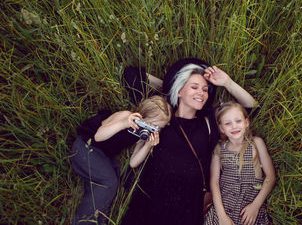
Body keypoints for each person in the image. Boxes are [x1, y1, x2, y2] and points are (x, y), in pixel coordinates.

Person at [121, 58, 258, 225]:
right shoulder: (163, 115)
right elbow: (130, 75)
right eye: (194, 87)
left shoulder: (210, 121)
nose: (201, 92)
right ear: (179, 90)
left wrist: (227, 82)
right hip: (151, 199)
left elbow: (251, 107)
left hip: (187, 205)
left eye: (205, 89)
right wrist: (170, 86)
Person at [70, 95, 171, 225]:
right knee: (108, 181)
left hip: (102, 155)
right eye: (152, 125)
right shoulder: (125, 116)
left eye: (158, 128)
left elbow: (133, 162)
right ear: (142, 116)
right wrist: (123, 124)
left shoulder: (143, 133)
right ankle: (83, 222)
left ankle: (97, 220)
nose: (153, 130)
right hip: (86, 146)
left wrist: (148, 145)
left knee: (113, 181)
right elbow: (98, 136)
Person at [204, 101, 276, 225]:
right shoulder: (219, 148)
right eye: (228, 123)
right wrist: (221, 215)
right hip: (223, 208)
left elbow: (270, 177)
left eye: (238, 121)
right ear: (221, 128)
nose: (234, 126)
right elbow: (214, 182)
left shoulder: (256, 143)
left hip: (248, 210)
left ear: (246, 122)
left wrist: (255, 206)